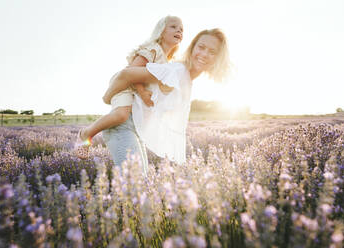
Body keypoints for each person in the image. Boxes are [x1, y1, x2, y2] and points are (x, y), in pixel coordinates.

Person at [102, 28, 230, 168]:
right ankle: (84, 135)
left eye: (212, 52)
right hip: (122, 126)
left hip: (135, 129)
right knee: (134, 184)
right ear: (192, 48)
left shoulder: (187, 79)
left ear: (218, 58)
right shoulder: (177, 71)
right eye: (201, 47)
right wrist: (107, 98)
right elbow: (125, 75)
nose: (204, 54)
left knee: (140, 185)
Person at [75, 16, 183, 159]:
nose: (179, 30)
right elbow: (133, 70)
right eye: (173, 27)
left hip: (134, 91)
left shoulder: (167, 60)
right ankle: (86, 133)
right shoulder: (154, 49)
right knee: (121, 114)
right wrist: (143, 92)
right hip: (125, 86)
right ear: (161, 31)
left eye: (181, 29)